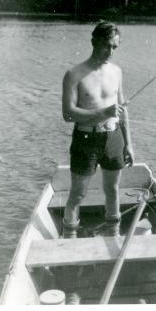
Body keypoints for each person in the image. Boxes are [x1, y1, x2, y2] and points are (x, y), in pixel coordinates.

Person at [62, 20, 134, 237]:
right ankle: (69, 238)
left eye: (115, 47)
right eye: (107, 45)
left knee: (112, 190)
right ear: (94, 42)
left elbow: (122, 111)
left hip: (114, 138)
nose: (110, 51)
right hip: (86, 139)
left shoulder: (117, 72)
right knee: (78, 194)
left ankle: (114, 237)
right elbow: (67, 114)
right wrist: (102, 113)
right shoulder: (74, 74)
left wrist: (129, 143)